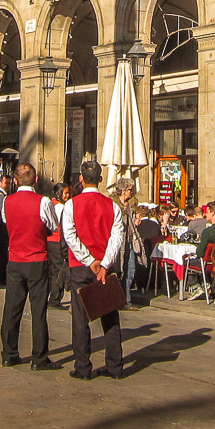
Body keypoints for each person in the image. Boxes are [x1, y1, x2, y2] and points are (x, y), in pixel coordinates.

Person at [64, 158, 125, 380]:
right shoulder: (112, 206)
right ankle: (115, 365)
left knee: (80, 318)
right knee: (110, 316)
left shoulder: (71, 204)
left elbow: (70, 235)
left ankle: (82, 366)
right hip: (104, 268)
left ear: (81, 179)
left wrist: (89, 261)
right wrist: (104, 264)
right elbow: (117, 236)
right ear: (100, 179)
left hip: (80, 267)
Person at [0, 162, 61, 370]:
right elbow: (53, 226)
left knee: (12, 308)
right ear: (36, 180)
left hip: (15, 260)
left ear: (15, 181)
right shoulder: (43, 201)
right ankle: (39, 357)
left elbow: (8, 223)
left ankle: (9, 353)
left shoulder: (7, 201)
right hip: (37, 260)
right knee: (38, 311)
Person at [107, 178, 143, 310]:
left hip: (130, 242)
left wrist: (136, 221)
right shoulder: (113, 205)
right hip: (118, 243)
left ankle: (125, 300)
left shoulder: (132, 205)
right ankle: (121, 300)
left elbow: (132, 223)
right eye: (130, 190)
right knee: (118, 271)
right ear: (123, 191)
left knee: (131, 270)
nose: (132, 192)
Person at [46, 184, 68, 307]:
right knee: (58, 271)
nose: (67, 196)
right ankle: (55, 298)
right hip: (57, 241)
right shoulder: (61, 207)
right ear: (58, 194)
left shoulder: (49, 204)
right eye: (65, 193)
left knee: (50, 271)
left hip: (48, 240)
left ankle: (47, 295)